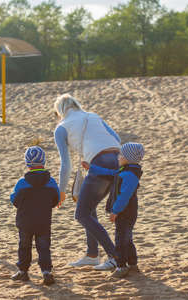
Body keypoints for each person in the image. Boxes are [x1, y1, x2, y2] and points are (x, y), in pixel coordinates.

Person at [53, 93, 122, 270]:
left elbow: (65, 163)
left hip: (100, 163)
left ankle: (114, 255)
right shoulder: (93, 116)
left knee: (81, 214)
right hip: (117, 161)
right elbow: (117, 139)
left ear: (60, 111)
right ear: (76, 105)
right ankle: (92, 254)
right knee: (89, 208)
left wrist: (61, 190)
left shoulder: (61, 128)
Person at [88, 142, 144, 277]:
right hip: (124, 211)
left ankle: (121, 266)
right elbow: (111, 173)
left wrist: (115, 211)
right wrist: (92, 168)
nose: (118, 157)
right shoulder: (125, 170)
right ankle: (132, 264)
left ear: (128, 158)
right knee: (127, 238)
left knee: (120, 240)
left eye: (121, 155)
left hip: (125, 212)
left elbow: (124, 196)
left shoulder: (130, 175)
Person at [10, 146, 60, 285]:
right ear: (43, 162)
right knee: (44, 247)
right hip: (43, 221)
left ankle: (23, 272)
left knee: (24, 246)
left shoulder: (22, 182)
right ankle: (46, 272)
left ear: (27, 163)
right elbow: (55, 199)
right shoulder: (51, 182)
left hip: (25, 222)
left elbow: (14, 200)